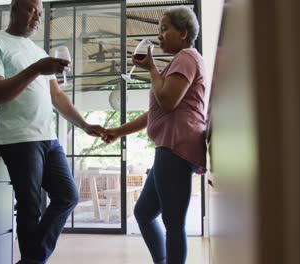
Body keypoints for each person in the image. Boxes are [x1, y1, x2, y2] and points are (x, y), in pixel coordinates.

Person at [0, 0, 105, 263]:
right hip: (18, 138)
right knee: (30, 206)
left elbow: (57, 96)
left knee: (68, 195)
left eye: (40, 12)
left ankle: (31, 261)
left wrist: (85, 124)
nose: (36, 16)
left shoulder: (38, 51)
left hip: (48, 138)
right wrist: (37, 68)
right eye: (30, 9)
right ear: (14, 8)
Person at [103, 6, 207, 264]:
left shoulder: (186, 57)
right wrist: (118, 131)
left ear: (183, 33)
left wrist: (151, 69)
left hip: (176, 147)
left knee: (172, 222)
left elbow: (168, 101)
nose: (159, 35)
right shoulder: (183, 60)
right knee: (144, 212)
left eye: (164, 29)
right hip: (170, 147)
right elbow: (156, 112)